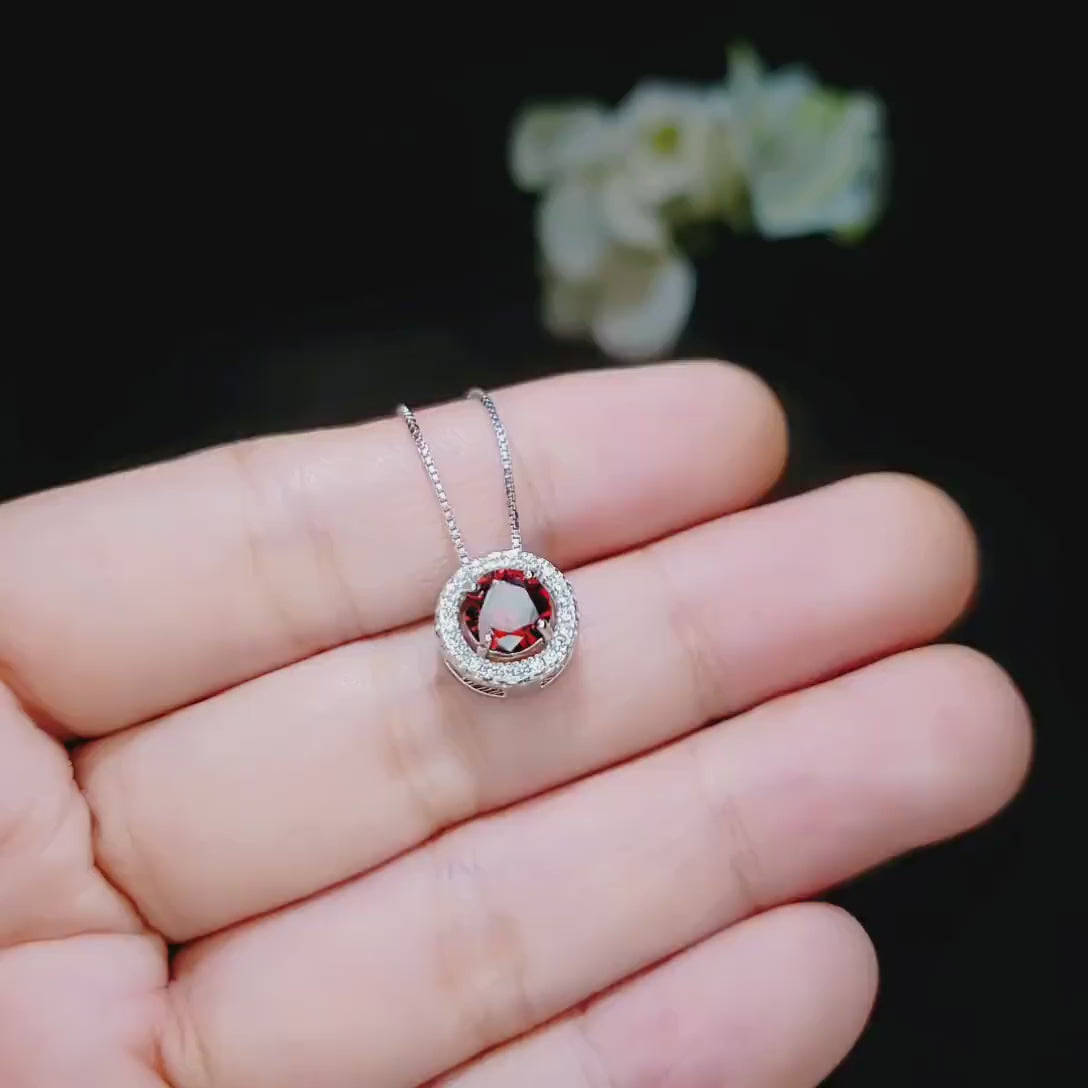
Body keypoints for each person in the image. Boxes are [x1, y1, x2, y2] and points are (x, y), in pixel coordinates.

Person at [0, 361, 1031, 1087]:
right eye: (498, 613)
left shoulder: (514, 600)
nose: (503, 615)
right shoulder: (491, 603)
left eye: (505, 610)